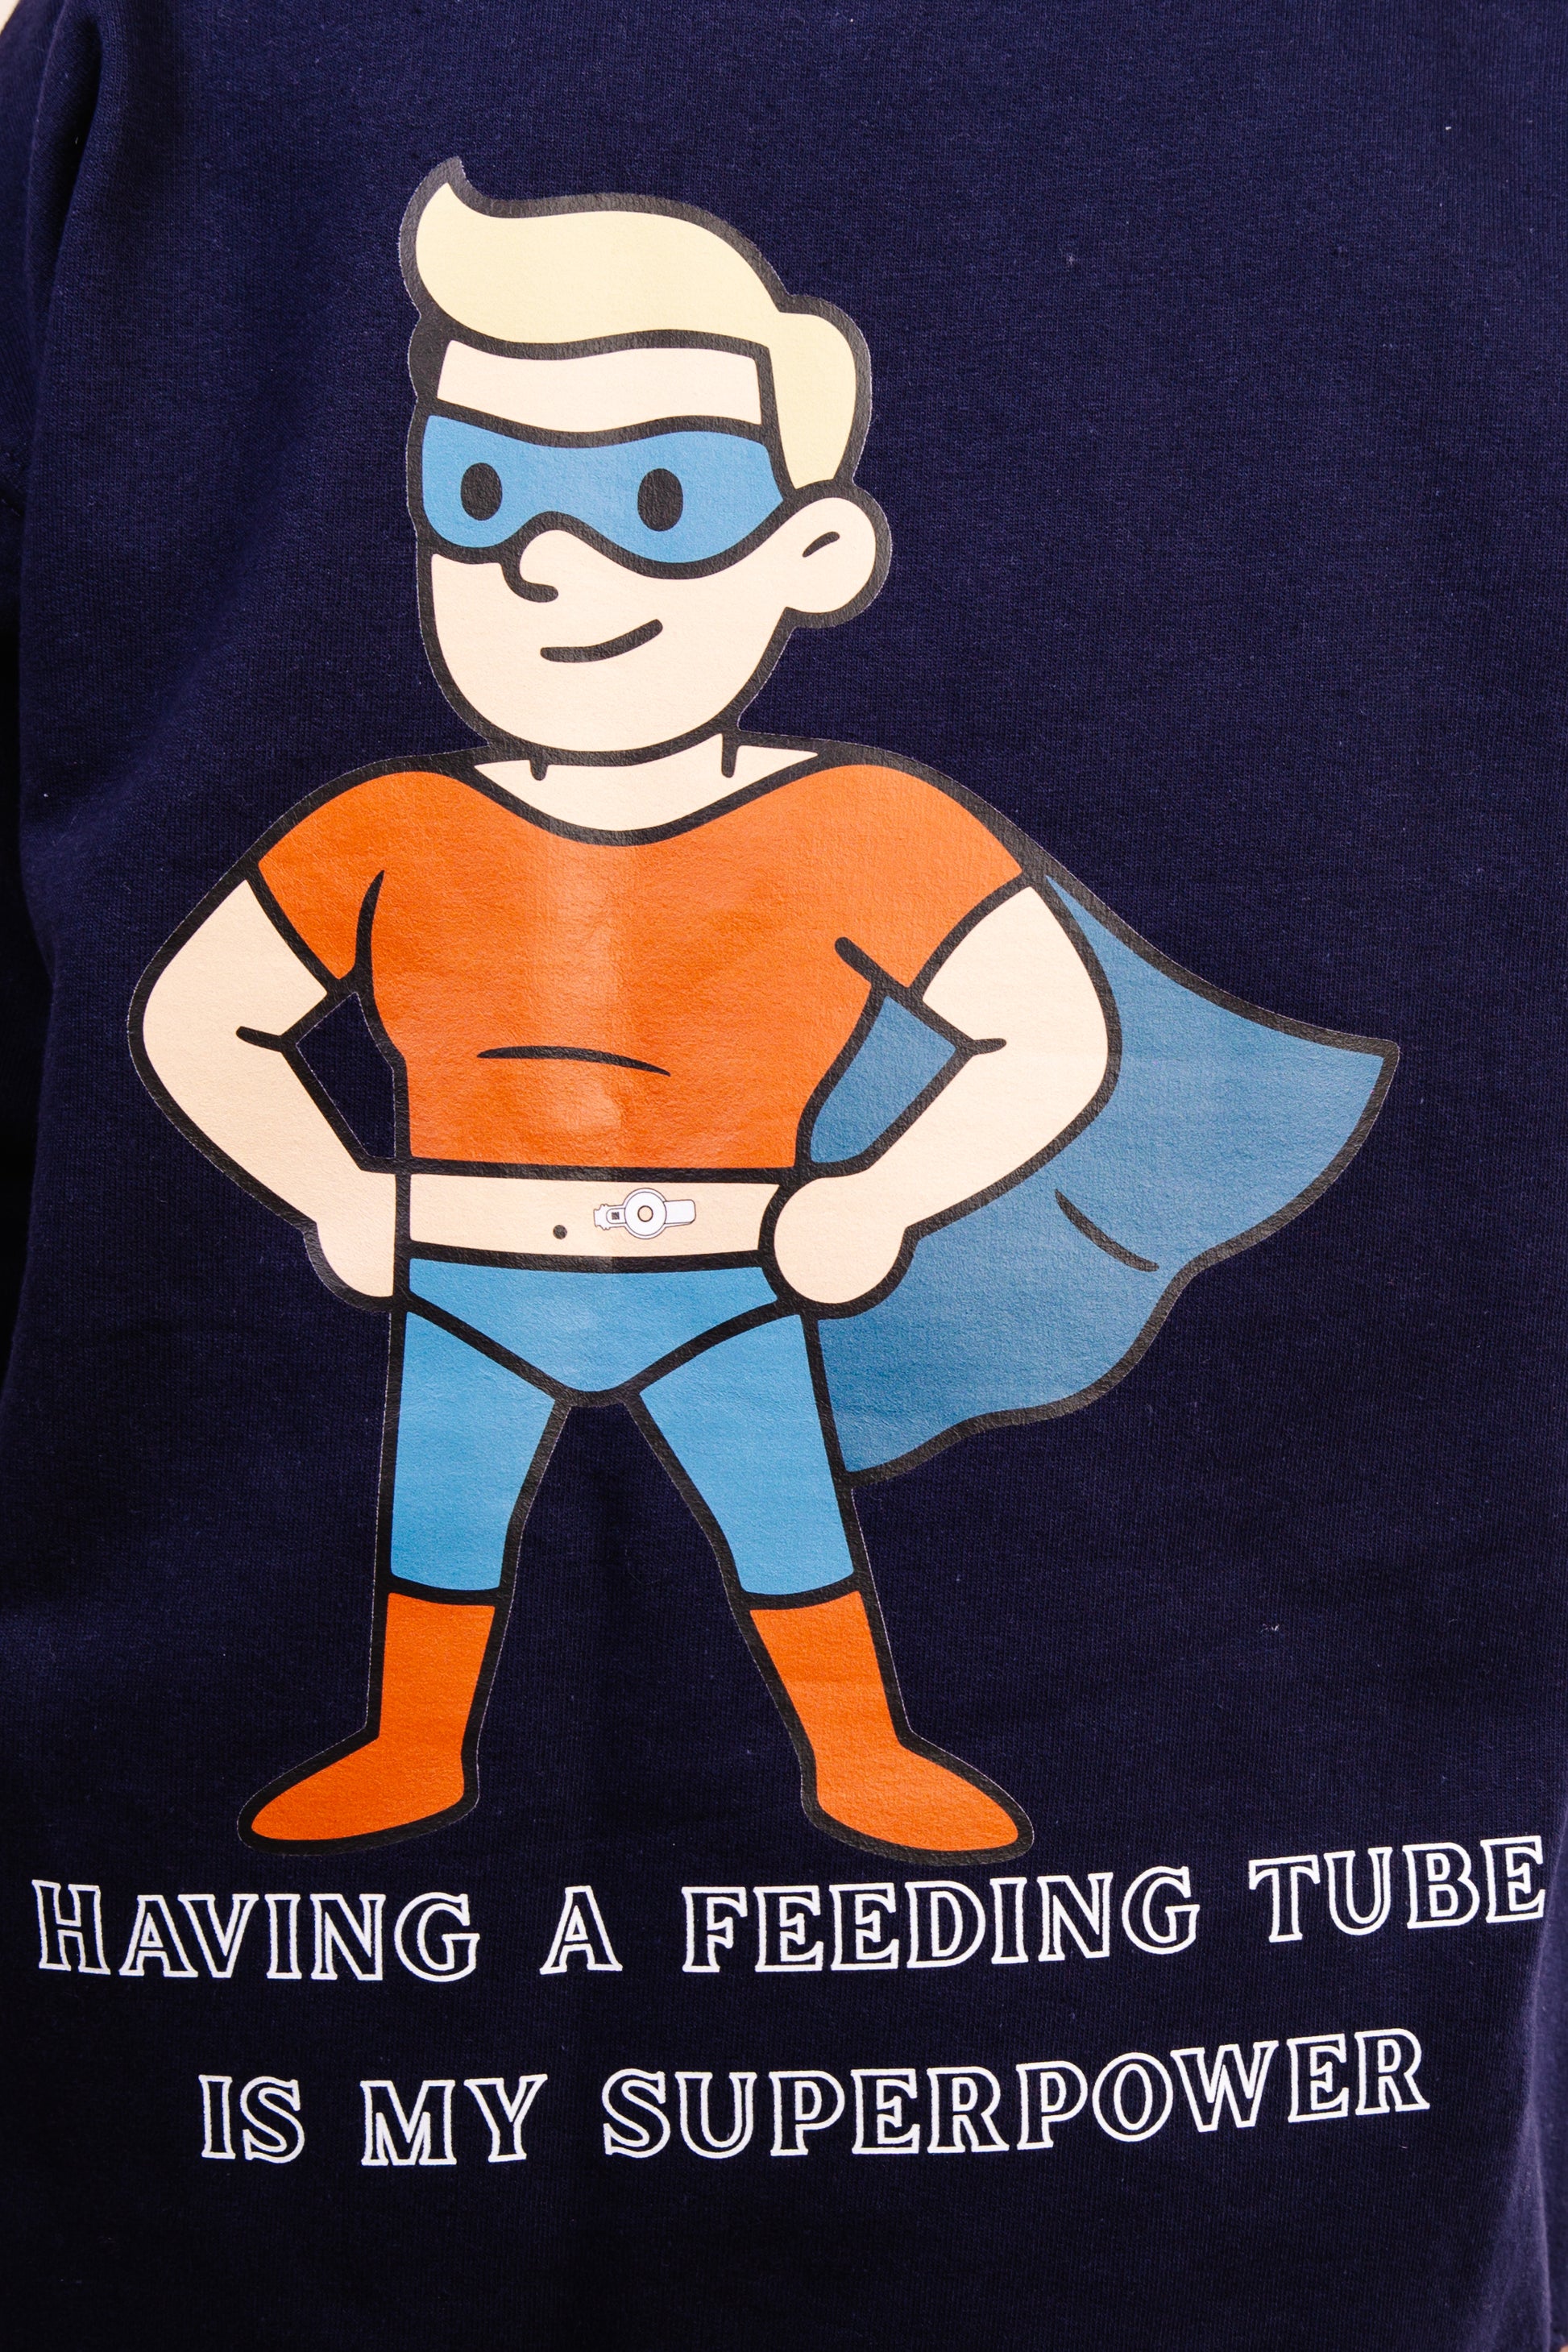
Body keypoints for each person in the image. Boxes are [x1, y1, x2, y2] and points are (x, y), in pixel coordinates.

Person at [130, 163, 1387, 1864]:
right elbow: (204, 1019)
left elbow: (1049, 1033)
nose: (550, 563)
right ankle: (413, 1748)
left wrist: (880, 1198)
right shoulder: (387, 831)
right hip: (468, 1265)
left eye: (660, 496)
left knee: (785, 1524)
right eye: (480, 487)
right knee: (441, 1525)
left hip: (730, 1272)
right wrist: (334, 1188)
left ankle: (857, 1752)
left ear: (812, 547)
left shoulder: (859, 826)